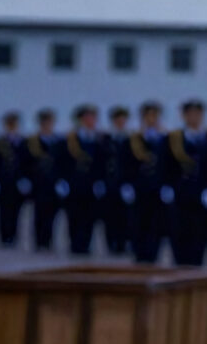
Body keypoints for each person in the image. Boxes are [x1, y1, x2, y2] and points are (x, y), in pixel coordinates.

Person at [166, 99, 207, 266]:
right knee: (179, 233)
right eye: (191, 114)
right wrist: (167, 186)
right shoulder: (174, 138)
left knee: (199, 233)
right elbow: (166, 165)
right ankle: (180, 265)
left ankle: (196, 266)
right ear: (184, 116)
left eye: (198, 114)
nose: (194, 117)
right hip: (180, 193)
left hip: (201, 194)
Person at [126, 103, 168, 264]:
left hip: (157, 188)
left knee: (155, 223)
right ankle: (139, 253)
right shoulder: (134, 139)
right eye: (148, 116)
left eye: (154, 116)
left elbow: (167, 164)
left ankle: (152, 253)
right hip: (139, 188)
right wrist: (127, 184)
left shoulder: (165, 139)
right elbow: (127, 163)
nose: (151, 120)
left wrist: (167, 184)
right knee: (138, 222)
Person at [62, 105, 106, 256]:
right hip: (75, 184)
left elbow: (103, 162)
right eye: (87, 118)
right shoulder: (70, 139)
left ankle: (86, 245)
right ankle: (75, 245)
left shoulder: (99, 139)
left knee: (90, 217)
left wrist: (101, 181)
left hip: (92, 185)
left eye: (92, 118)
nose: (90, 121)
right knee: (74, 216)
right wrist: (62, 181)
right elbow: (63, 162)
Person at [0, 111, 32, 247]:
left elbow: (27, 163)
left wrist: (26, 179)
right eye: (9, 124)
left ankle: (13, 236)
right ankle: (4, 237)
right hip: (3, 182)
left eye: (14, 124)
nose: (12, 126)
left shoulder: (24, 142)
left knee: (16, 212)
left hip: (18, 182)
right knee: (2, 211)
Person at [30, 108, 66, 251]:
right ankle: (39, 241)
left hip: (54, 184)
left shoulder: (59, 141)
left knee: (53, 215)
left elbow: (63, 163)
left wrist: (62, 181)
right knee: (39, 213)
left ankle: (48, 240)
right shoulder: (33, 141)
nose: (47, 125)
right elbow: (27, 163)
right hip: (39, 184)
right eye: (45, 122)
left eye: (50, 122)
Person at [99, 105, 134, 255]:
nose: (120, 122)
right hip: (110, 183)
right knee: (110, 215)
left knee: (126, 216)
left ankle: (124, 242)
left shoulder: (131, 139)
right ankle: (111, 242)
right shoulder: (105, 139)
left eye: (122, 119)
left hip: (125, 184)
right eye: (117, 119)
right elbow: (99, 161)